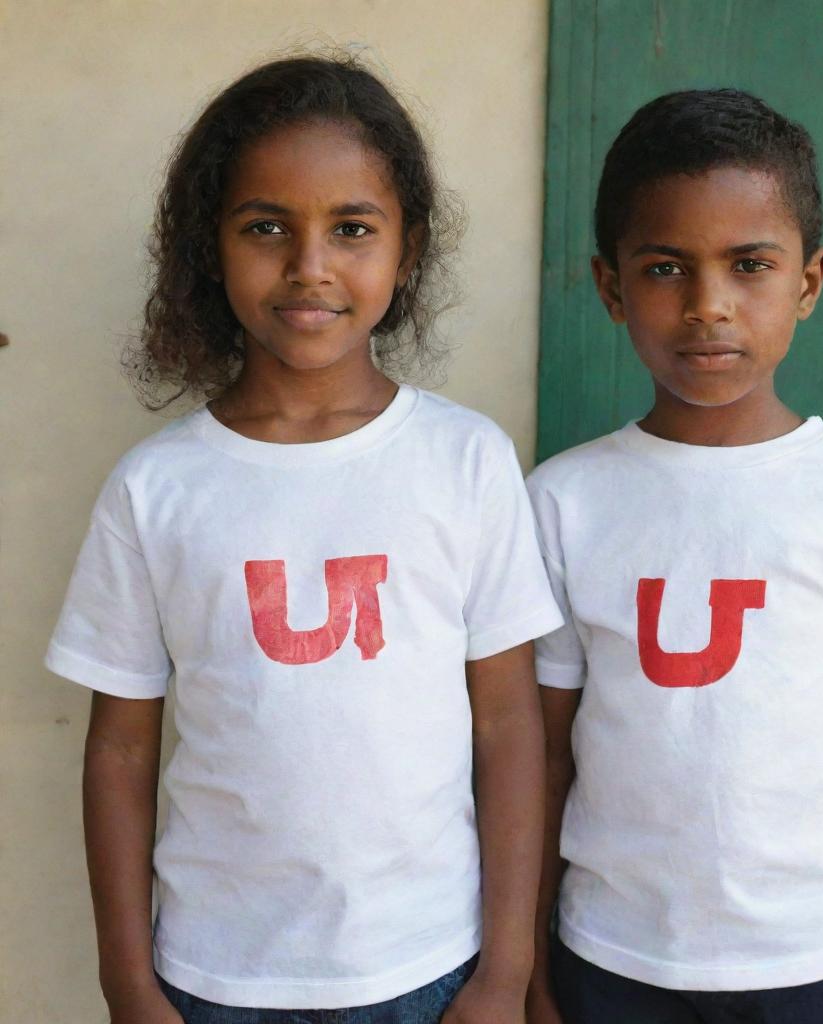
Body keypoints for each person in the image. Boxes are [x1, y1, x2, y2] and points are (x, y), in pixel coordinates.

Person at [46, 54, 562, 1024]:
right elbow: (118, 751)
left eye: (352, 229)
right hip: (213, 976)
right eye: (266, 228)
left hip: (427, 966)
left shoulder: (464, 462)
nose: (309, 266)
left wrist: (505, 967)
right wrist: (127, 979)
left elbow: (507, 723)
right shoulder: (157, 489)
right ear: (213, 247)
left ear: (405, 252)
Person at [524, 89, 823, 1024]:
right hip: (614, 960)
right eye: (664, 268)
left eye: (749, 265)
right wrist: (527, 963)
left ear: (807, 283)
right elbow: (542, 758)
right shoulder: (563, 501)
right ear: (610, 288)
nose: (708, 306)